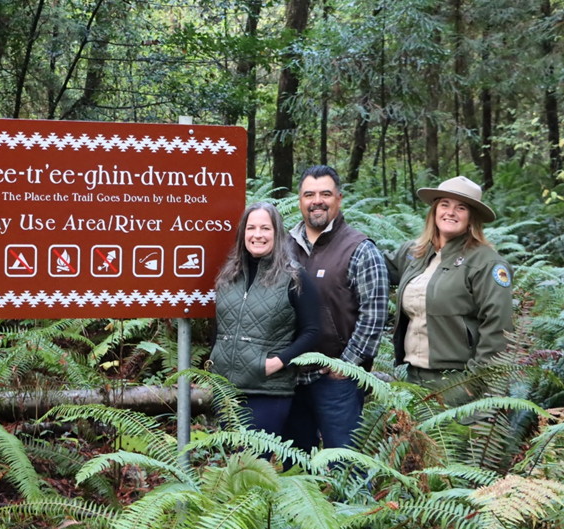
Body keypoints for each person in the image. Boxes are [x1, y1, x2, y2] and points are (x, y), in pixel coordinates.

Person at [283, 165, 389, 452]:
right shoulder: (283, 247)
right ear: (300, 201)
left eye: (325, 194)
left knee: (346, 465)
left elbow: (375, 314)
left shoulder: (360, 249)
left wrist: (346, 365)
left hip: (337, 381)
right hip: (290, 377)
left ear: (338, 199)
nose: (317, 200)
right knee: (296, 469)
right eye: (309, 194)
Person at [385, 176, 513, 405]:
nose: (451, 212)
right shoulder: (414, 253)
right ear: (434, 211)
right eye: (445, 204)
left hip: (458, 383)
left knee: (454, 441)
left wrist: (473, 385)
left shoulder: (487, 263)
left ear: (471, 217)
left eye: (461, 207)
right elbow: (371, 268)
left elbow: (498, 331)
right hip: (413, 378)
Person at [208, 201, 321, 438]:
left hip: (268, 391)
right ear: (243, 233)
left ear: (277, 233)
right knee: (233, 463)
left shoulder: (293, 276)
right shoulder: (229, 275)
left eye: (265, 228)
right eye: (251, 228)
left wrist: (278, 362)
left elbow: (312, 331)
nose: (257, 235)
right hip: (226, 389)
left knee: (253, 463)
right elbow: (220, 325)